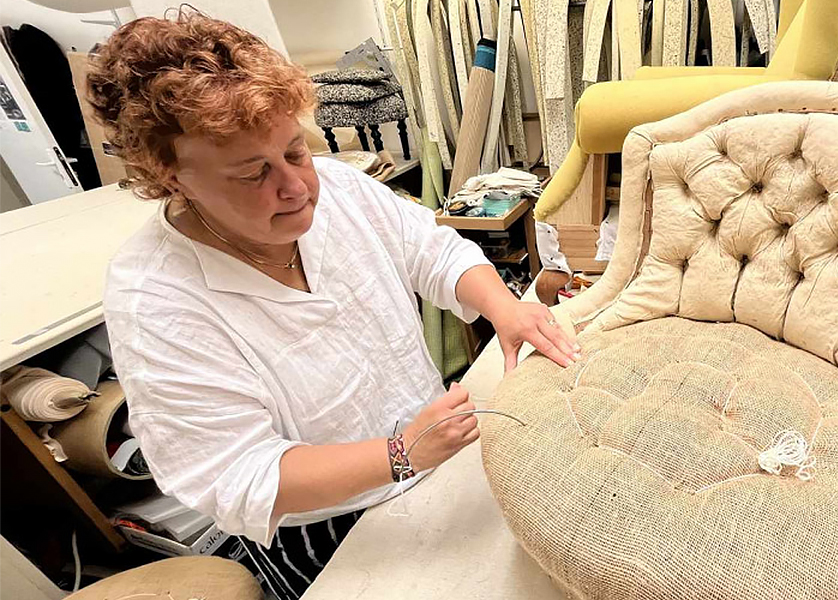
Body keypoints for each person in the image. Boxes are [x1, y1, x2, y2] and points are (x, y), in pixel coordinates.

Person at [90, 14, 578, 598]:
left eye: (295, 151)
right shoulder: (156, 301)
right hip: (326, 525)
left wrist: (505, 307)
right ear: (171, 177)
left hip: (434, 453)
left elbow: (432, 250)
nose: (296, 187)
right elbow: (237, 474)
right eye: (253, 174)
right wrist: (398, 454)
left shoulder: (340, 189)